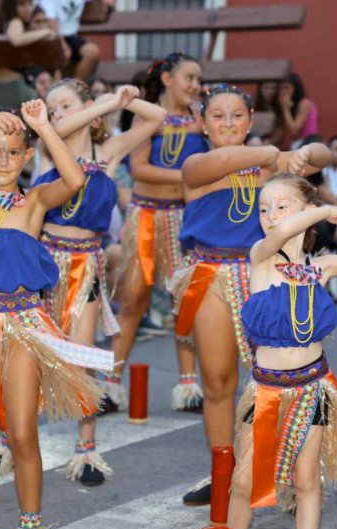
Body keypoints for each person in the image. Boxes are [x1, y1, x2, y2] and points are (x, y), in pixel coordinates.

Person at [0, 100, 110, 529]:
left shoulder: (34, 203)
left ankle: (30, 524)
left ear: (27, 157)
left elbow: (74, 179)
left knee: (23, 432)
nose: (3, 160)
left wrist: (43, 127)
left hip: (20, 327)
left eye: (13, 152)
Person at [171, 84, 330, 505]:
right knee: (219, 379)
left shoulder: (270, 164)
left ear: (251, 118)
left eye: (237, 115)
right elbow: (223, 161)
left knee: (282, 377)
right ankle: (222, 471)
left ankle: (290, 469)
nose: (227, 123)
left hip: (264, 275)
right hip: (210, 275)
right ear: (202, 123)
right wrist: (271, 154)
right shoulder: (198, 164)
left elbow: (323, 156)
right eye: (217, 115)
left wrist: (300, 155)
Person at [226, 174, 337, 529]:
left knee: (306, 481)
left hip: (311, 389)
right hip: (266, 391)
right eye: (264, 208)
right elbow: (280, 235)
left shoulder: (322, 268)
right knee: (243, 483)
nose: (271, 215)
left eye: (282, 206)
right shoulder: (262, 257)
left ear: (307, 210)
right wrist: (328, 210)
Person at [34, 80, 165, 486]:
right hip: (44, 261)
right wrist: (104, 104)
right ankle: (8, 436)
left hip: (85, 264)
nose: (56, 114)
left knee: (84, 352)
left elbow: (156, 117)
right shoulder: (46, 147)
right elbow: (57, 129)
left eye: (66, 105)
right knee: (32, 353)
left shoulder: (106, 153)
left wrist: (127, 98)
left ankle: (85, 448)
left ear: (88, 109)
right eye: (52, 108)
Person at [107, 53, 208, 415]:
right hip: (146, 216)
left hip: (185, 218)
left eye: (199, 79)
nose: (195, 84)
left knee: (185, 301)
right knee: (134, 299)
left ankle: (188, 384)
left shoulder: (202, 117)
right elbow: (139, 168)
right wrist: (189, 178)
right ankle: (111, 382)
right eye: (189, 77)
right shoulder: (146, 114)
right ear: (167, 79)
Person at [0, 0, 52, 110]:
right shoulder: (16, 21)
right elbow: (16, 39)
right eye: (22, 4)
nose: (28, 9)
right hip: (11, 86)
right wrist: (46, 32)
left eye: (30, 4)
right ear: (11, 6)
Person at [39, 0, 115, 80]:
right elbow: (51, 23)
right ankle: (57, 88)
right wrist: (63, 46)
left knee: (92, 52)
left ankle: (75, 86)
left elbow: (110, 1)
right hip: (53, 37)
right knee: (61, 57)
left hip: (72, 36)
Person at [279, 73, 319, 149]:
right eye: (281, 88)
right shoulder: (294, 104)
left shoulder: (304, 104)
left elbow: (294, 129)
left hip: (307, 143)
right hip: (299, 143)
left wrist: (285, 108)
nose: (283, 91)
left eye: (286, 88)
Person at [251, 80, 284, 147]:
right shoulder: (253, 103)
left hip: (269, 142)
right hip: (252, 139)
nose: (270, 91)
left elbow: (279, 133)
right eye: (266, 88)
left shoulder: (278, 106)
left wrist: (269, 141)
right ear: (260, 89)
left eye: (273, 88)